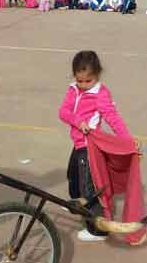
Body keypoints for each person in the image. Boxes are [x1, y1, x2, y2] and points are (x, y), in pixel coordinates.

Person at [59, 51, 142, 243]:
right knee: (72, 176)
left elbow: (113, 119)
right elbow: (63, 112)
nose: (83, 85)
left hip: (90, 147)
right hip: (78, 144)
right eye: (79, 80)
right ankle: (75, 202)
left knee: (89, 188)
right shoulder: (73, 89)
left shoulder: (101, 94)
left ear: (97, 76)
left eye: (88, 81)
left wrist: (127, 141)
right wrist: (78, 120)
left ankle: (98, 231)